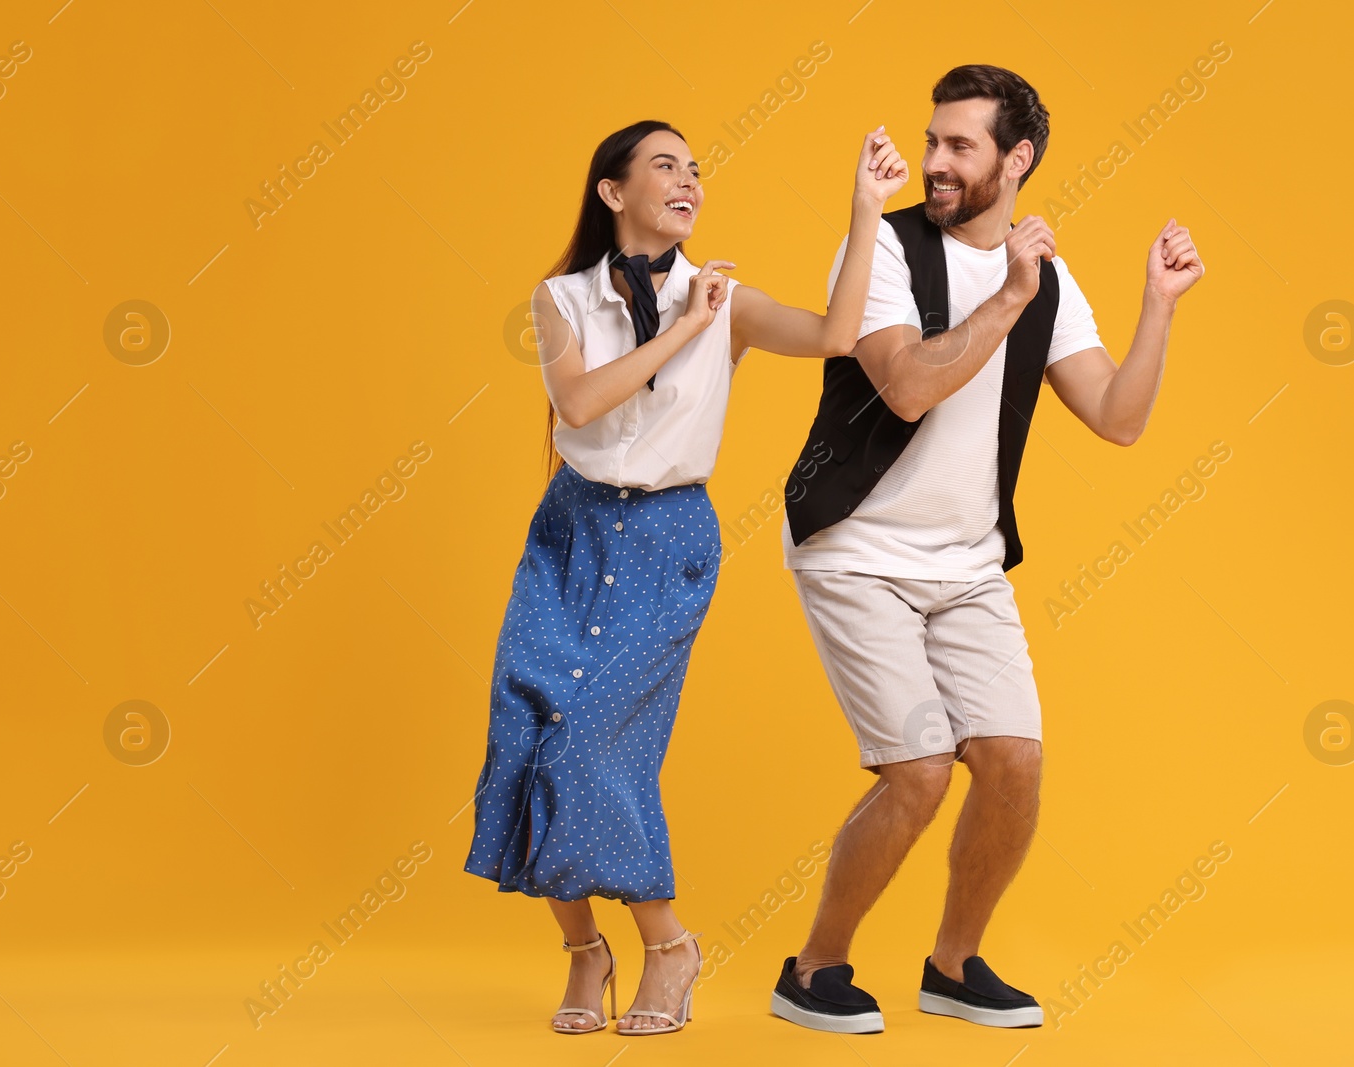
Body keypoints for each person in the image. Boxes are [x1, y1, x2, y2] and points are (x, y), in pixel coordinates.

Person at [770, 64, 1205, 1033]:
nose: (933, 162)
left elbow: (1117, 417)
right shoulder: (885, 247)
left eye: (958, 145)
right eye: (933, 141)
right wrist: (1005, 297)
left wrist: (1159, 304)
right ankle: (813, 967)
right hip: (856, 548)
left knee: (1013, 762)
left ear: (1017, 160)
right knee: (920, 769)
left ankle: (952, 963)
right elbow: (906, 387)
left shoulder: (1048, 281)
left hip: (965, 563)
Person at [464, 118, 909, 1036]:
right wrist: (687, 326)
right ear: (613, 192)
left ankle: (668, 946)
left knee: (590, 745)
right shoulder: (558, 299)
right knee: (526, 730)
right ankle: (585, 950)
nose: (689, 181)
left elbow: (834, 333)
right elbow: (580, 402)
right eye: (665, 165)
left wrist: (866, 210)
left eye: (697, 169)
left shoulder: (728, 300)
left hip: (667, 538)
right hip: (571, 531)